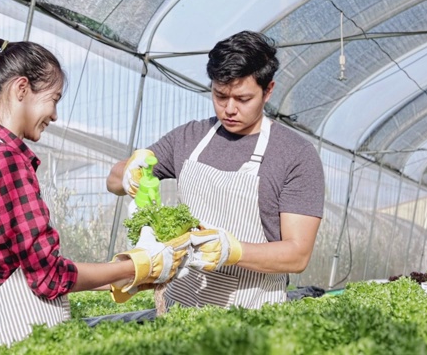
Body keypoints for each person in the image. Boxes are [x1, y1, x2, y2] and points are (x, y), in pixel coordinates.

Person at [0, 39, 190, 346]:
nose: (54, 115)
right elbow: (48, 277)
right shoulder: (6, 162)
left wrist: (124, 278)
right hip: (15, 334)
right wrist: (134, 266)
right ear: (21, 89)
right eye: (53, 99)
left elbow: (28, 266)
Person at [107, 30, 325, 309]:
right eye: (220, 96)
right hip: (179, 307)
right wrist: (127, 174)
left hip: (252, 313)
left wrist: (233, 251)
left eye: (243, 99)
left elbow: (297, 255)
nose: (229, 109)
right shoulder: (190, 137)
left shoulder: (295, 154)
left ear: (268, 90)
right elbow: (113, 181)